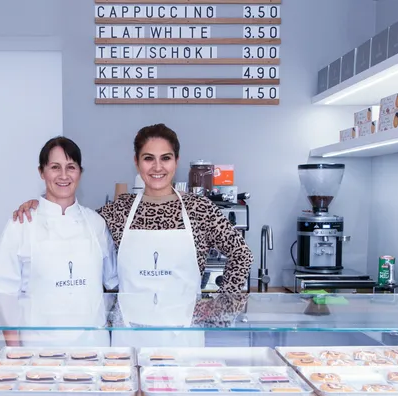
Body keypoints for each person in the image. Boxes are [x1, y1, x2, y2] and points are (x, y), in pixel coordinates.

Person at [14, 124, 252, 346]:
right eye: (148, 158)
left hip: (183, 338)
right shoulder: (119, 210)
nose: (157, 167)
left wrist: (219, 307)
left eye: (165, 158)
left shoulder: (199, 209)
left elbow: (241, 254)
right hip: (128, 337)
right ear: (137, 163)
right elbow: (74, 223)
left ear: (176, 161)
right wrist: (43, 206)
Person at [0, 137, 117, 347]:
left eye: (70, 167)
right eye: (55, 167)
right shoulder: (22, 222)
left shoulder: (96, 223)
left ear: (80, 172)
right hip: (39, 350)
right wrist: (15, 352)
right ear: (41, 172)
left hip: (93, 346)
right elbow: (3, 292)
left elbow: (113, 281)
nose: (63, 175)